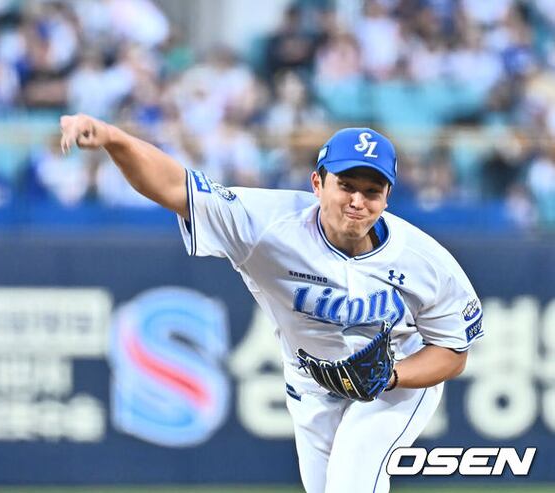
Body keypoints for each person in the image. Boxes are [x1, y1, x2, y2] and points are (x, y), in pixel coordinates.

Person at [60, 114, 484, 493]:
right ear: (317, 183)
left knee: (353, 479)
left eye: (372, 191)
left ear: (387, 196)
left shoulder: (427, 262)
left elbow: (453, 352)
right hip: (312, 383)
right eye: (346, 186)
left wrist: (390, 376)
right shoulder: (267, 224)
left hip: (396, 386)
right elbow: (174, 186)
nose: (357, 201)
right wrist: (115, 138)